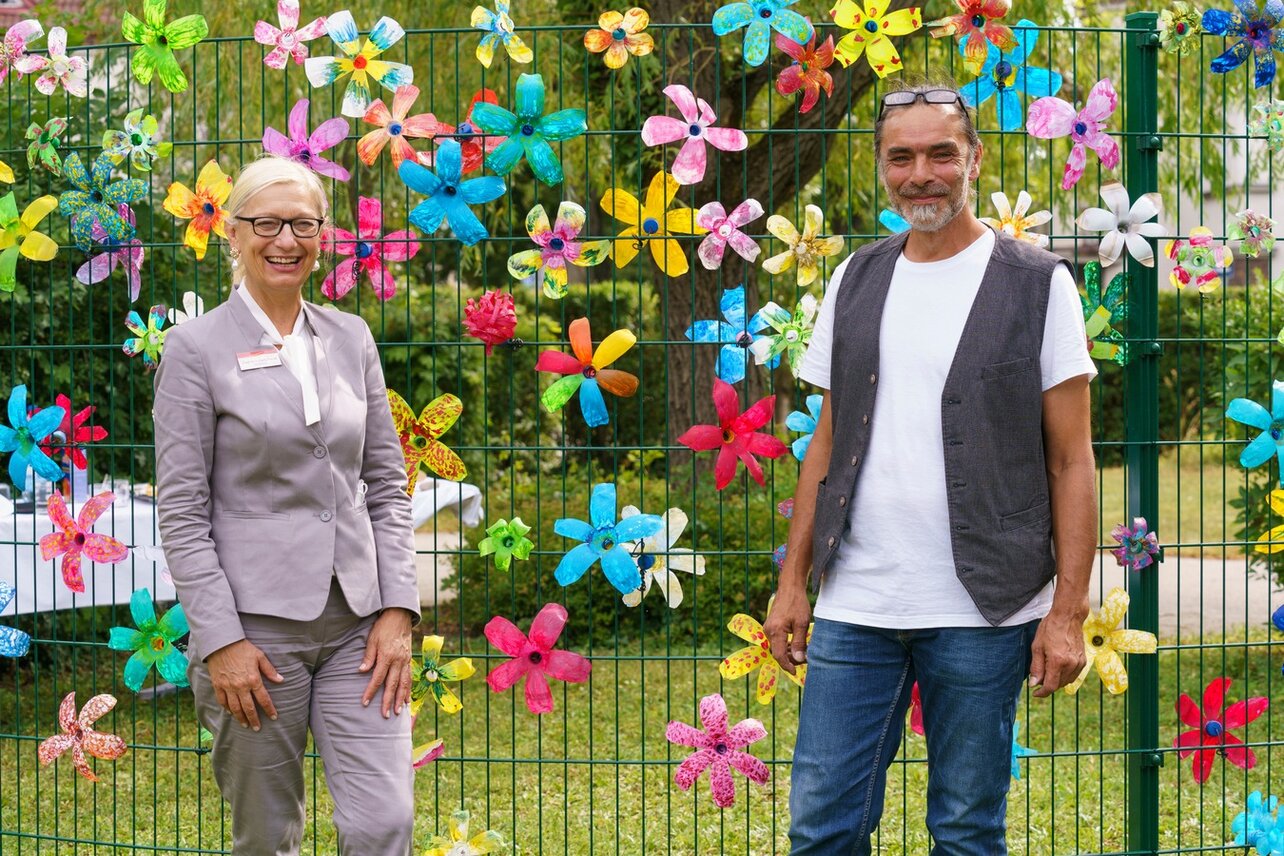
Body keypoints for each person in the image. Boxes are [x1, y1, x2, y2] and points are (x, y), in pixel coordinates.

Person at [767, 81, 1098, 855]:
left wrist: (1068, 611)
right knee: (821, 828)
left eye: (941, 153)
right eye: (902, 157)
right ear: (883, 168)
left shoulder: (1039, 283)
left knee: (966, 829)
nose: (923, 173)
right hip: (857, 604)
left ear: (974, 159)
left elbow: (1070, 458)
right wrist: (793, 583)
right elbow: (828, 438)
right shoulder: (856, 276)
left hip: (985, 609)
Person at [154, 155, 420, 855]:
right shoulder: (194, 349)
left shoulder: (350, 337)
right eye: (266, 222)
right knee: (269, 838)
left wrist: (399, 611)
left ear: (323, 235)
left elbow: (387, 486)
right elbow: (181, 512)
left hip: (362, 629)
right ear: (233, 235)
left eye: (303, 223)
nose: (286, 239)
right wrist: (221, 640)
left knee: (382, 822)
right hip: (254, 637)